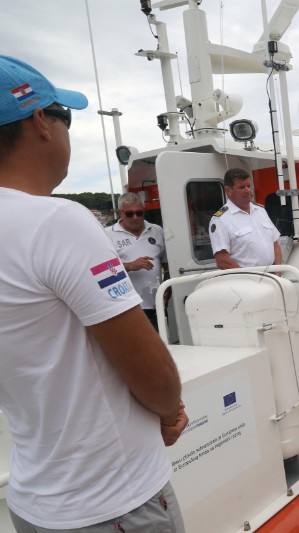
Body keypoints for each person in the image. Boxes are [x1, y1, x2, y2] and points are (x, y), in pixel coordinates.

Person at [0, 55, 186, 531]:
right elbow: (151, 371)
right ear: (40, 121)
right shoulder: (55, 221)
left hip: (36, 503)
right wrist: (170, 411)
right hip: (114, 502)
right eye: (66, 117)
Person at [107, 192, 169, 329]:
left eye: (139, 213)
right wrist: (129, 266)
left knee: (161, 346)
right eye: (129, 214)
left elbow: (168, 266)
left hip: (156, 306)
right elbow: (101, 271)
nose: (135, 217)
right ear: (120, 213)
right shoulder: (107, 235)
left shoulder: (157, 230)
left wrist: (166, 293)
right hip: (125, 308)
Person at [209, 167, 282, 269]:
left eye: (248, 186)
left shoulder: (260, 211)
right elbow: (222, 260)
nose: (248, 190)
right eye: (242, 187)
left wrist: (278, 273)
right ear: (228, 191)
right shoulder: (220, 220)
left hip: (272, 276)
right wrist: (249, 279)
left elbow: (275, 244)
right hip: (246, 280)